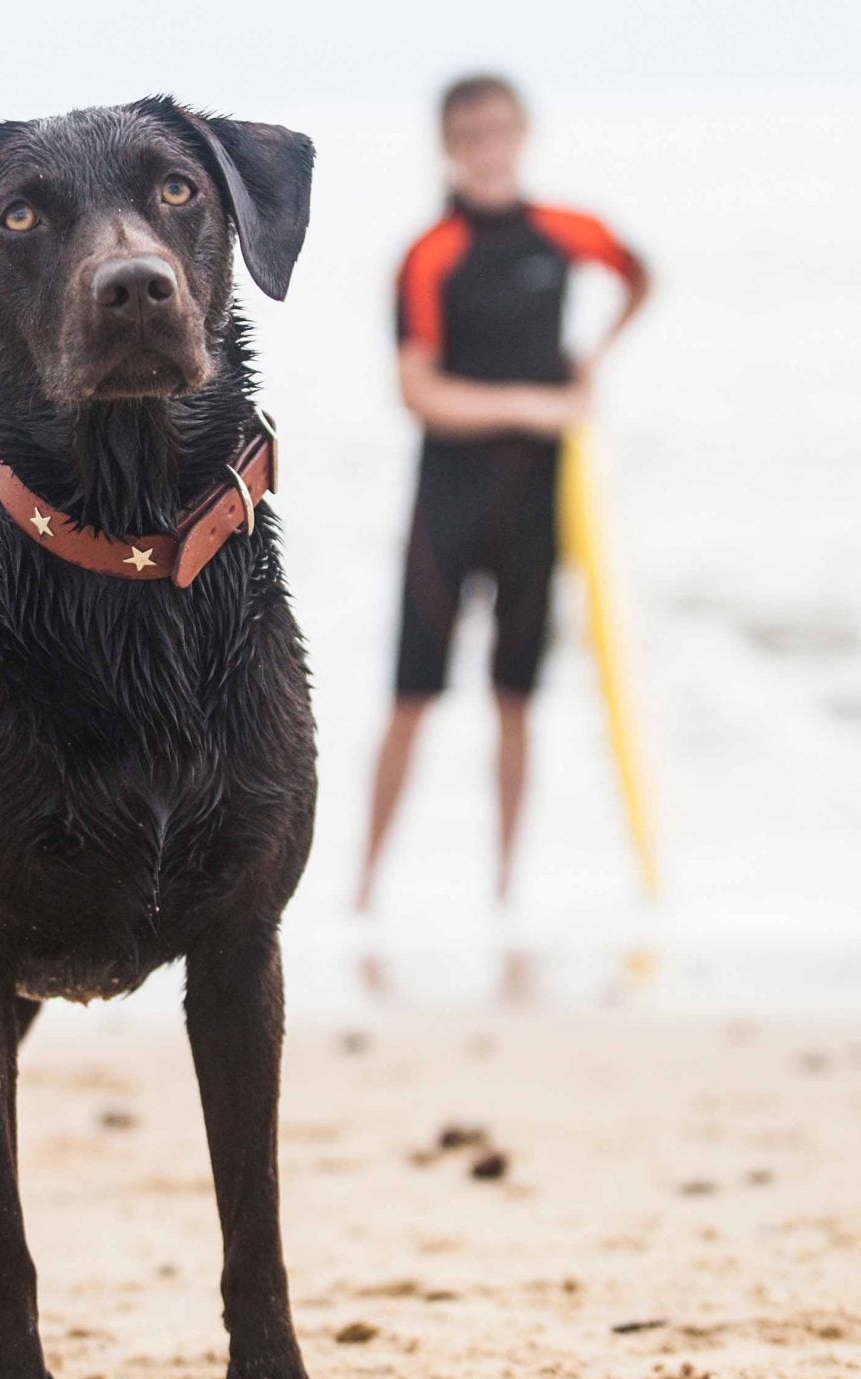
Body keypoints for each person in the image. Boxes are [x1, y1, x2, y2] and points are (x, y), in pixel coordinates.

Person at [356, 74, 650, 909]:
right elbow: (418, 391)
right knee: (411, 697)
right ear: (449, 147)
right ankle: (365, 891)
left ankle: (505, 893)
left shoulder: (565, 233)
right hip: (447, 503)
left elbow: (641, 277)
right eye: (470, 135)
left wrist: (594, 358)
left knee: (515, 700)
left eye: (500, 131)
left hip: (537, 505)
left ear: (522, 133)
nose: (488, 149)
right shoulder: (430, 255)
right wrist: (537, 402)